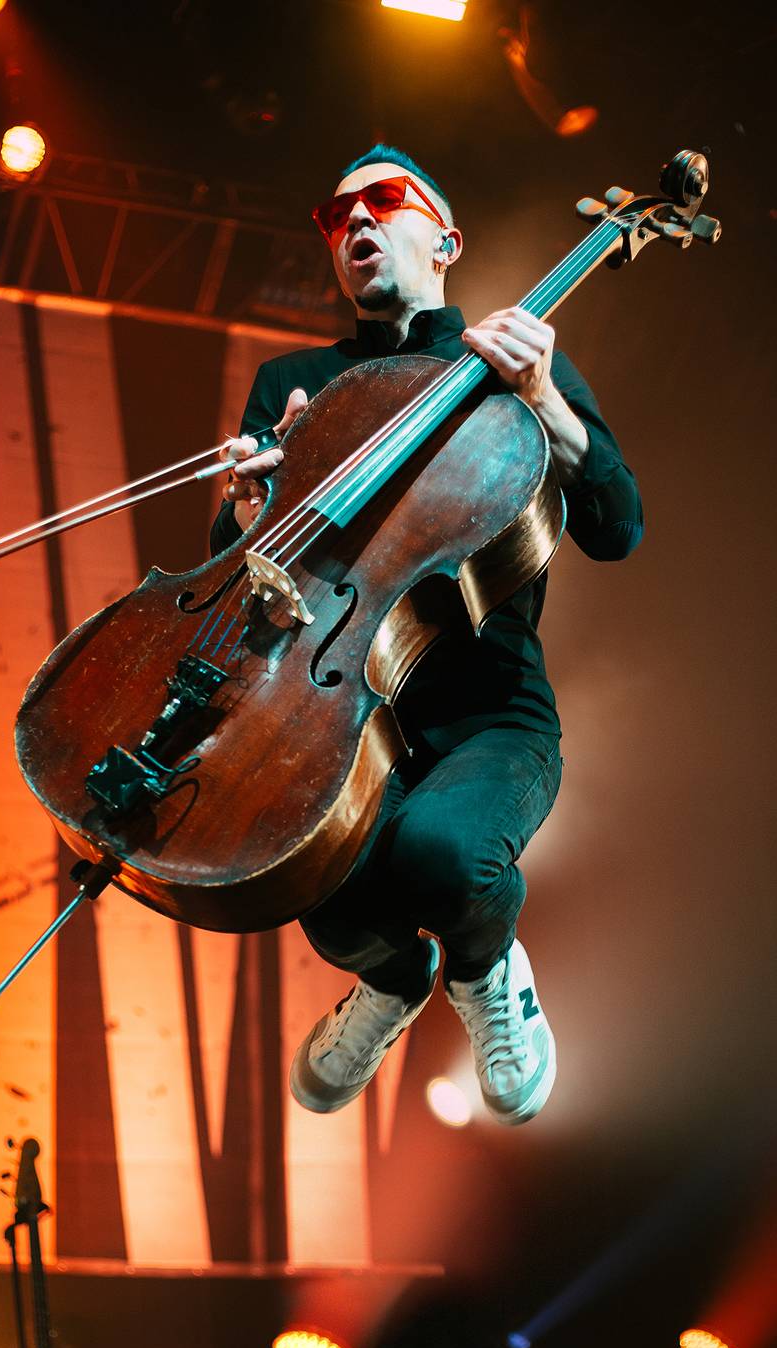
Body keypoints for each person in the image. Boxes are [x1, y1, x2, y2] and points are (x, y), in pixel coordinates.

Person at [210, 146, 643, 1126]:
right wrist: (248, 505)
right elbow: (238, 578)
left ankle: (487, 974)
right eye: (336, 216)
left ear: (445, 242)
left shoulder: (509, 365)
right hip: (341, 713)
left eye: (382, 201)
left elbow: (617, 527)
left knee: (440, 854)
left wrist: (542, 398)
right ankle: (393, 981)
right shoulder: (296, 383)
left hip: (491, 714)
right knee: (309, 877)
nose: (355, 222)